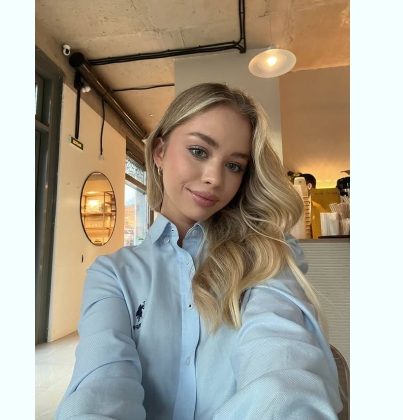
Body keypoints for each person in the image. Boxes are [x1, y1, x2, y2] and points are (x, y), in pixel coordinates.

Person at [55, 83, 342, 419]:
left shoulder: (264, 255)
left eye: (234, 166)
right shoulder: (113, 274)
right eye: (199, 151)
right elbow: (100, 387)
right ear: (160, 151)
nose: (214, 178)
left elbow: (282, 369)